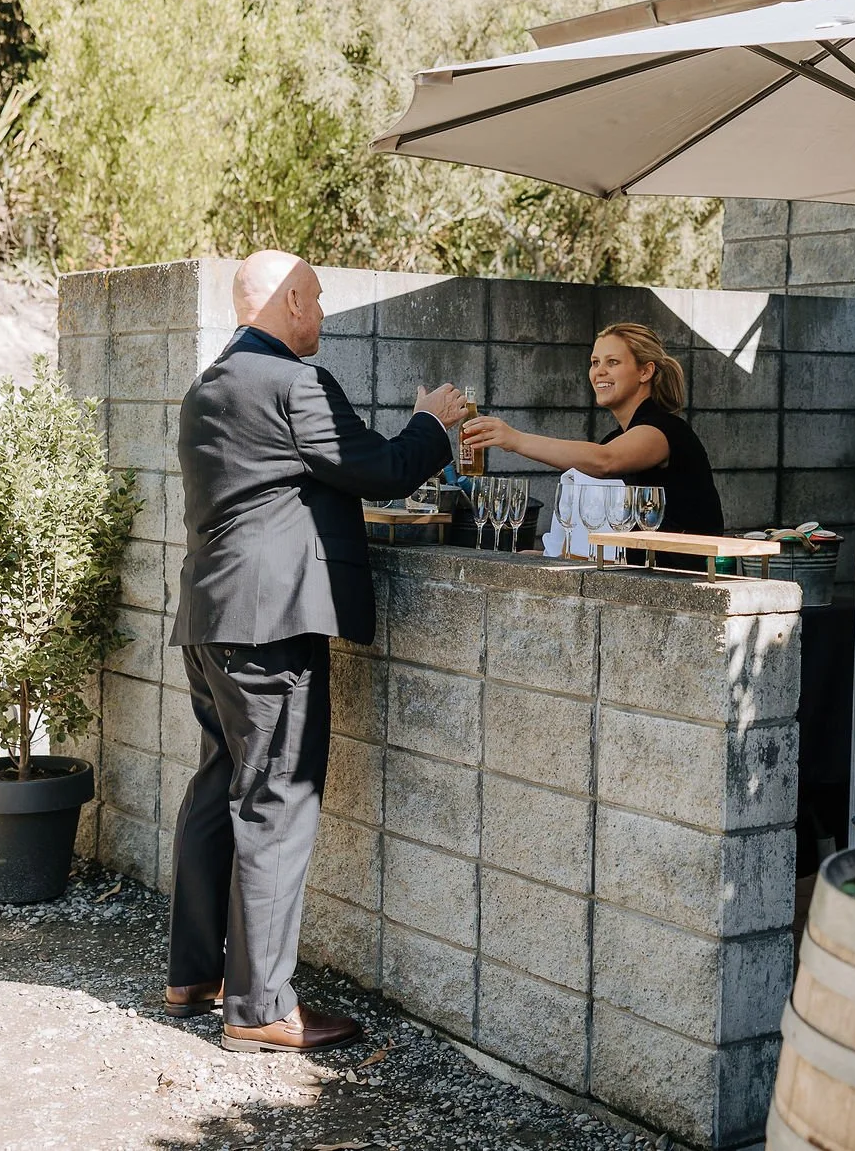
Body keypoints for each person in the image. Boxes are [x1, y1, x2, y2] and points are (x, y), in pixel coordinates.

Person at [165, 250, 468, 1052]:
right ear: (291, 299)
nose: (324, 315)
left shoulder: (209, 387)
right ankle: (261, 1009)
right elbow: (380, 469)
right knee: (277, 801)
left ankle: (193, 972)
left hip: (207, 620)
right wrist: (434, 421)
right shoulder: (295, 384)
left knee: (217, 790)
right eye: (319, 299)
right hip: (271, 630)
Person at [460, 322, 723, 555]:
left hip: (686, 576)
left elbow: (604, 460)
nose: (599, 372)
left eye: (613, 362)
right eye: (595, 362)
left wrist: (514, 439)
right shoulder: (617, 437)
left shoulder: (663, 430)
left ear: (645, 372)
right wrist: (551, 556)